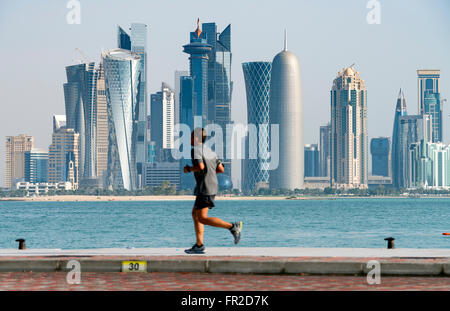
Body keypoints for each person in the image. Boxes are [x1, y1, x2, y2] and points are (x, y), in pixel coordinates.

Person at [183, 128, 242, 254]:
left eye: (192, 136)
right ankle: (199, 245)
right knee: (195, 214)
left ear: (197, 138)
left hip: (205, 187)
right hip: (209, 186)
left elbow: (200, 167)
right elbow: (220, 169)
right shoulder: (210, 151)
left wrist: (188, 169)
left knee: (202, 218)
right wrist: (209, 174)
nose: (190, 139)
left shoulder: (196, 150)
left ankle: (232, 227)